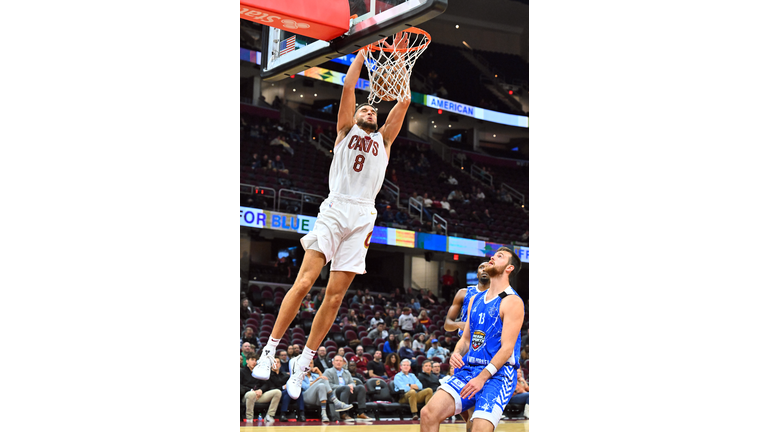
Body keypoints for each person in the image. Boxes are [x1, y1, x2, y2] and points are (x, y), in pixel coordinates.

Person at [252, 39, 411, 399]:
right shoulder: (345, 131)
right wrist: (361, 53)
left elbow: (403, 102)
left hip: (364, 215)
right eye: (365, 110)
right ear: (354, 117)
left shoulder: (385, 140)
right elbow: (349, 87)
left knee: (336, 298)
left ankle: (303, 364)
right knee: (306, 281)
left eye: (373, 110)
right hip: (336, 208)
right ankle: (269, 349)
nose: (370, 111)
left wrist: (401, 64)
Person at [420, 247, 524, 432]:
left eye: (499, 256)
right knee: (428, 413)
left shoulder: (512, 301)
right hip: (470, 369)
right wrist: (457, 352)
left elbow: (507, 349)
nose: (492, 257)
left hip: (497, 374)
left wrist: (482, 378)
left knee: (478, 428)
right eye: (493, 255)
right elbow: (466, 339)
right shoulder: (475, 299)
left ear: (509, 268)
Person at [444, 262, 491, 338]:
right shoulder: (463, 293)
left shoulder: (499, 296)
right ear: (477, 274)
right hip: (465, 342)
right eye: (481, 267)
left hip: (488, 342)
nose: (484, 270)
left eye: (488, 268)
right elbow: (447, 325)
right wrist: (459, 324)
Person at [323, 355, 374, 421]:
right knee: (346, 388)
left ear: (343, 363)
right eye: (337, 361)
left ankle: (361, 413)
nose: (338, 362)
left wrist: (352, 386)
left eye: (340, 361)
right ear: (333, 362)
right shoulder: (328, 372)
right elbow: (328, 385)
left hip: (347, 392)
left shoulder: (346, 372)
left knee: (361, 387)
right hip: (334, 393)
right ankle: (343, 414)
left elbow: (352, 382)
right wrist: (344, 387)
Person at [241, 352, 282, 423]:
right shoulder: (241, 372)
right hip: (247, 396)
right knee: (251, 394)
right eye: (252, 360)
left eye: (255, 360)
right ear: (247, 361)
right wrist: (251, 390)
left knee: (277, 392)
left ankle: (269, 416)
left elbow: (266, 384)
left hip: (259, 395)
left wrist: (261, 390)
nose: (254, 362)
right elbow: (239, 386)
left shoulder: (259, 371)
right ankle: (249, 418)